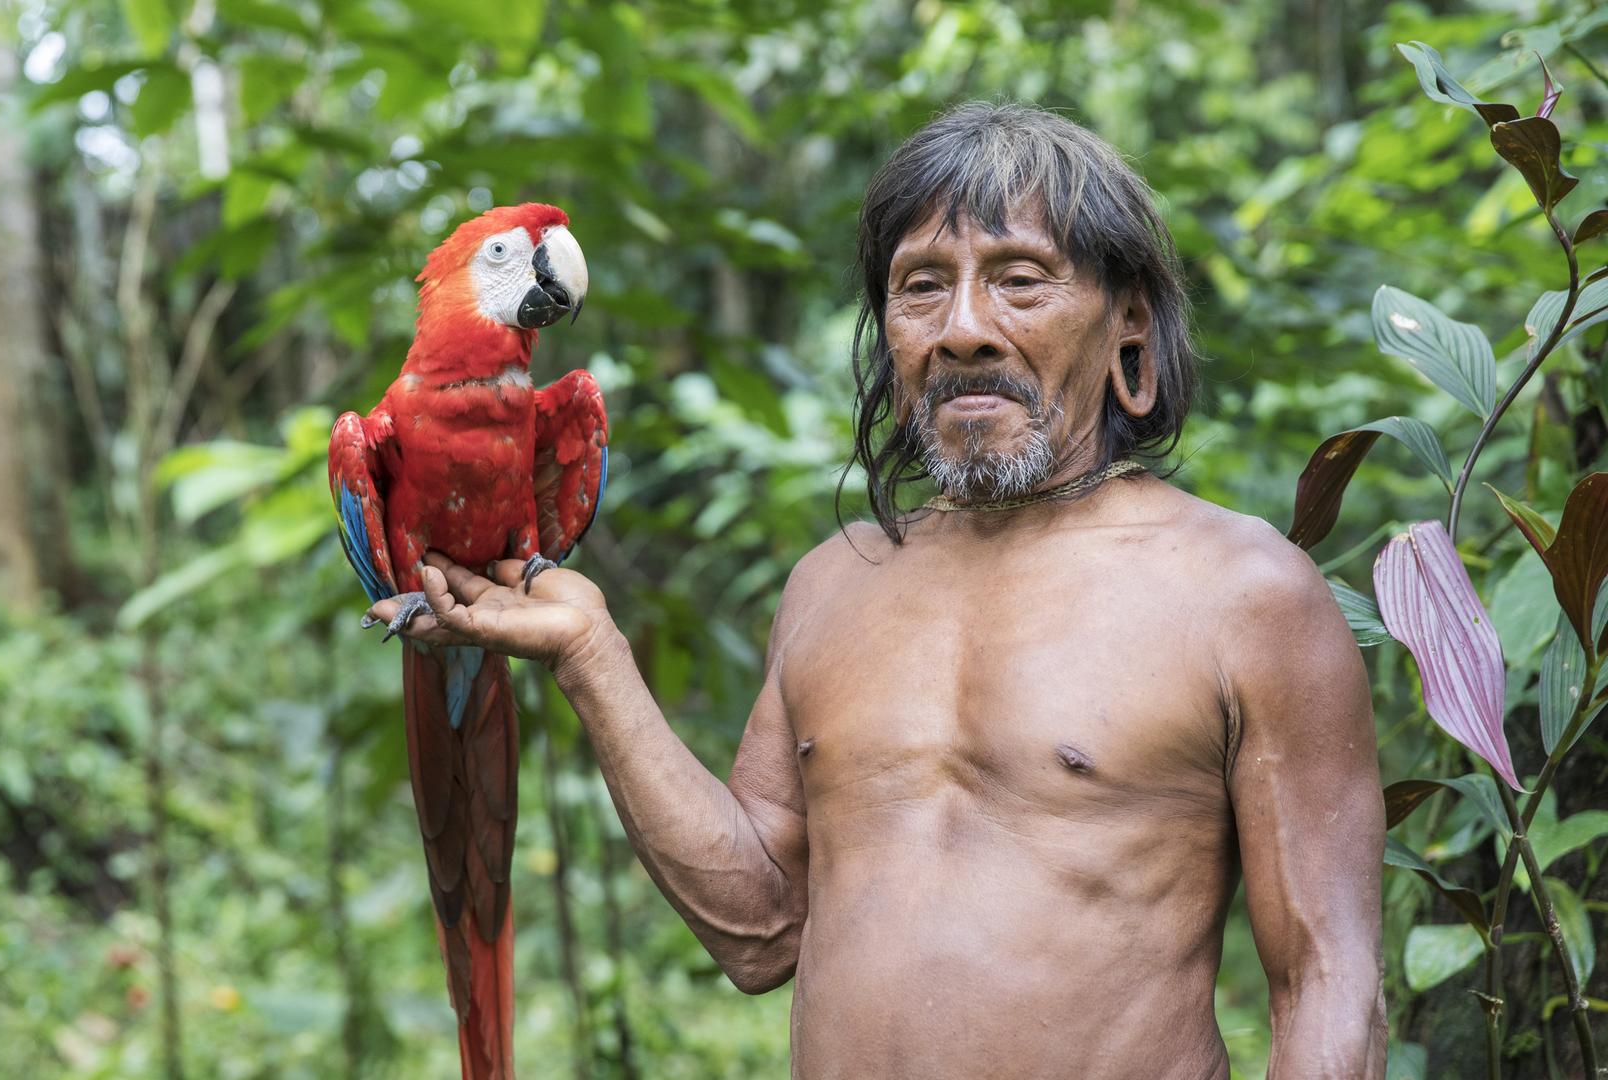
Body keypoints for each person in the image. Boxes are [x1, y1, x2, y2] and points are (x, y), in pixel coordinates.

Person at [367, 101, 1387, 1079]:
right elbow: (760, 932)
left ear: (1129, 331)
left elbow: (1328, 985)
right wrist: (594, 658)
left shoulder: (1245, 594)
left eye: (1021, 280)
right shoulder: (832, 585)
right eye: (921, 287)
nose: (964, 329)